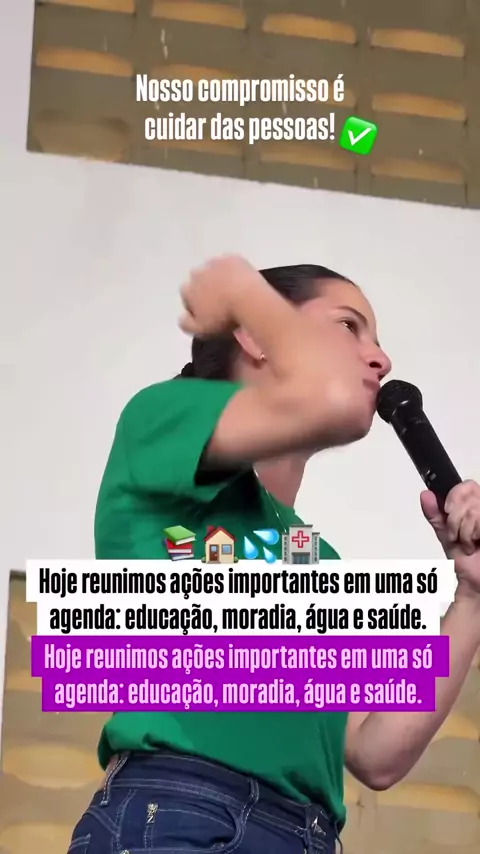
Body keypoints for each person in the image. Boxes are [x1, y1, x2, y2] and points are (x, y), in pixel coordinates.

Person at [67, 257, 480, 854]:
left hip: (305, 834)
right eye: (349, 326)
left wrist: (471, 595)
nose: (382, 359)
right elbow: (330, 401)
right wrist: (245, 291)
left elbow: (374, 751)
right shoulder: (160, 418)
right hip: (183, 812)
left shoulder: (317, 560)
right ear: (254, 337)